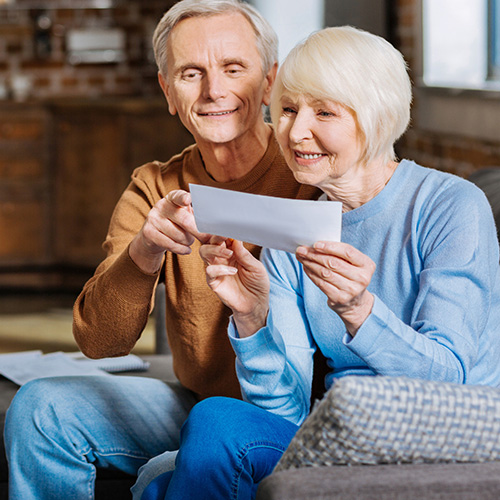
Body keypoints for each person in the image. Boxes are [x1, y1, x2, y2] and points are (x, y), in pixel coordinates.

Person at [154, 25, 500, 499]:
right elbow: (286, 414)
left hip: (447, 435)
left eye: (324, 112)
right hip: (343, 434)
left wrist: (360, 312)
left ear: (375, 117)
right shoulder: (295, 231)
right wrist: (252, 319)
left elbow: (450, 377)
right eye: (289, 109)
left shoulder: (450, 205)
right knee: (186, 456)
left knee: (198, 443)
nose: (295, 132)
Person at [3, 1, 321, 499]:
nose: (214, 90)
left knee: (211, 434)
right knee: (40, 407)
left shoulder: (312, 171)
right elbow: (98, 342)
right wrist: (145, 249)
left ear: (269, 82)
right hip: (198, 405)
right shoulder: (154, 186)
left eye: (233, 69)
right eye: (191, 73)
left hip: (296, 417)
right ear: (167, 92)